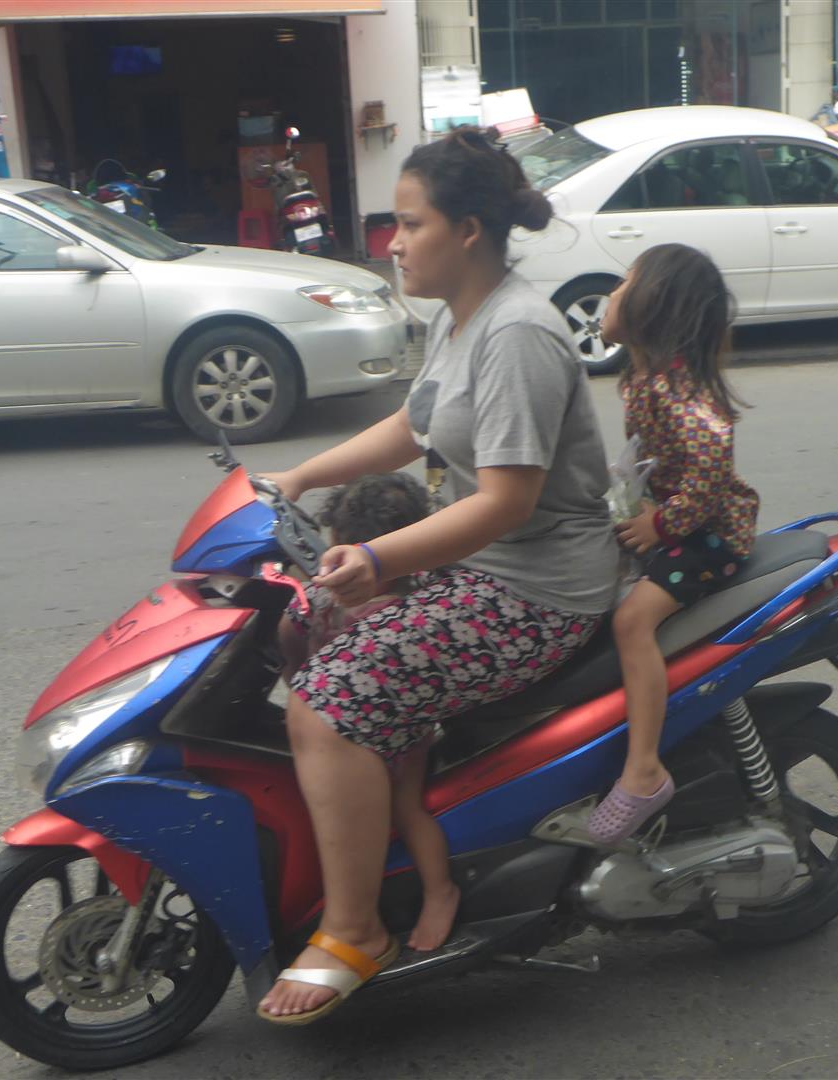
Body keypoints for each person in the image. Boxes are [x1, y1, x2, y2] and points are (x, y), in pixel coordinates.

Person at [255, 127, 619, 1025]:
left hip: (537, 591)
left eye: (410, 224)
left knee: (323, 703)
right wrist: (297, 477)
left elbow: (506, 502)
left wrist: (379, 558)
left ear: (467, 231)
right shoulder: (460, 318)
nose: (393, 243)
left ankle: (356, 930)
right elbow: (411, 428)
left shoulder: (518, 334)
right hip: (481, 569)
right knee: (301, 635)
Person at [586, 244, 760, 846]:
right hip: (679, 520)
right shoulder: (642, 377)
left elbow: (712, 460)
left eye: (624, 282)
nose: (612, 292)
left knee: (632, 622)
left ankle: (643, 769)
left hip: (712, 536)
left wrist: (664, 525)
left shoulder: (672, 385)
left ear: (654, 304)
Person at [276, 472, 458, 953]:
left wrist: (296, 681)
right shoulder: (389, 596)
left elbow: (288, 639)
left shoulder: (394, 605)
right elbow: (288, 632)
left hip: (398, 733)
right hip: (339, 723)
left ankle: (440, 891)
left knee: (405, 807)